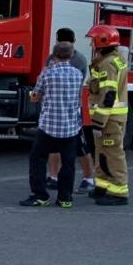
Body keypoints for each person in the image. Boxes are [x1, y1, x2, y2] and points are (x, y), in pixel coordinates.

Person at [22, 41, 84, 207]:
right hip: (70, 127)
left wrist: (34, 91)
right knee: (68, 164)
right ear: (71, 55)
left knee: (38, 159)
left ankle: (40, 196)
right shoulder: (78, 74)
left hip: (48, 127)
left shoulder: (47, 74)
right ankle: (65, 198)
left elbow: (35, 97)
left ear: (54, 55)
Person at [44, 28, 94, 192]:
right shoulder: (52, 58)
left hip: (72, 110)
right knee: (53, 145)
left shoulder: (78, 59)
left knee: (80, 145)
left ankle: (88, 178)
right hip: (56, 109)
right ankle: (54, 177)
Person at [86, 24, 129, 206]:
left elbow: (108, 95)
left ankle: (119, 192)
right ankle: (103, 186)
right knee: (102, 152)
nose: (91, 44)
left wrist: (98, 122)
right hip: (112, 118)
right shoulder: (114, 59)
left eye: (93, 40)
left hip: (109, 119)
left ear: (102, 41)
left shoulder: (107, 63)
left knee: (112, 155)